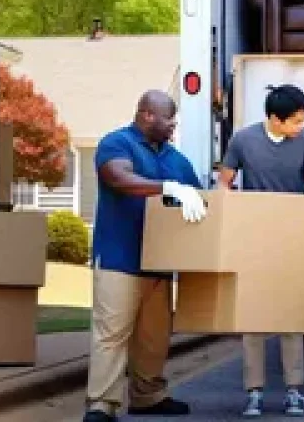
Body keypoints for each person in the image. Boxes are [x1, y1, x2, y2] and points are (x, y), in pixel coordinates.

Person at [83, 90, 207, 422]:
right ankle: (102, 404)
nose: (173, 126)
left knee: (154, 337)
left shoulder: (176, 159)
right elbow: (118, 178)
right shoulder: (117, 143)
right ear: (148, 115)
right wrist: (166, 187)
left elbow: (200, 197)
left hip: (160, 261)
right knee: (112, 334)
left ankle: (148, 396)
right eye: (169, 119)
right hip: (119, 257)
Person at [218, 84, 304, 417]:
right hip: (253, 236)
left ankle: (294, 390)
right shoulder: (243, 140)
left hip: (291, 235)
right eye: (296, 120)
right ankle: (255, 391)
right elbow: (224, 182)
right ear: (274, 119)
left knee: (291, 316)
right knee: (253, 319)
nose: (302, 126)